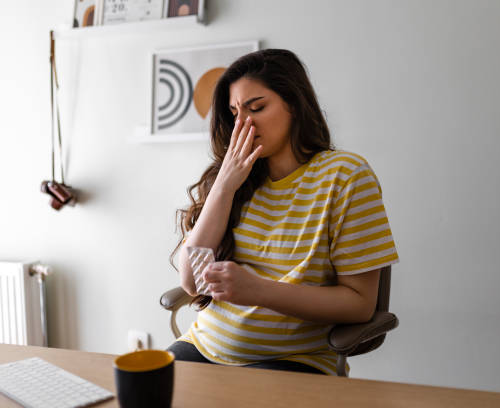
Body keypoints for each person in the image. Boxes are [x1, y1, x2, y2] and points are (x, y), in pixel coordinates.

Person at [167, 49, 399, 375]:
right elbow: (192, 282)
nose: (243, 124)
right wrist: (224, 186)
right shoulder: (234, 182)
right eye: (234, 113)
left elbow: (360, 304)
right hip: (204, 347)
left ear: (294, 104)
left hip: (294, 361)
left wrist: (259, 291)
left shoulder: (346, 176)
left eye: (257, 107)